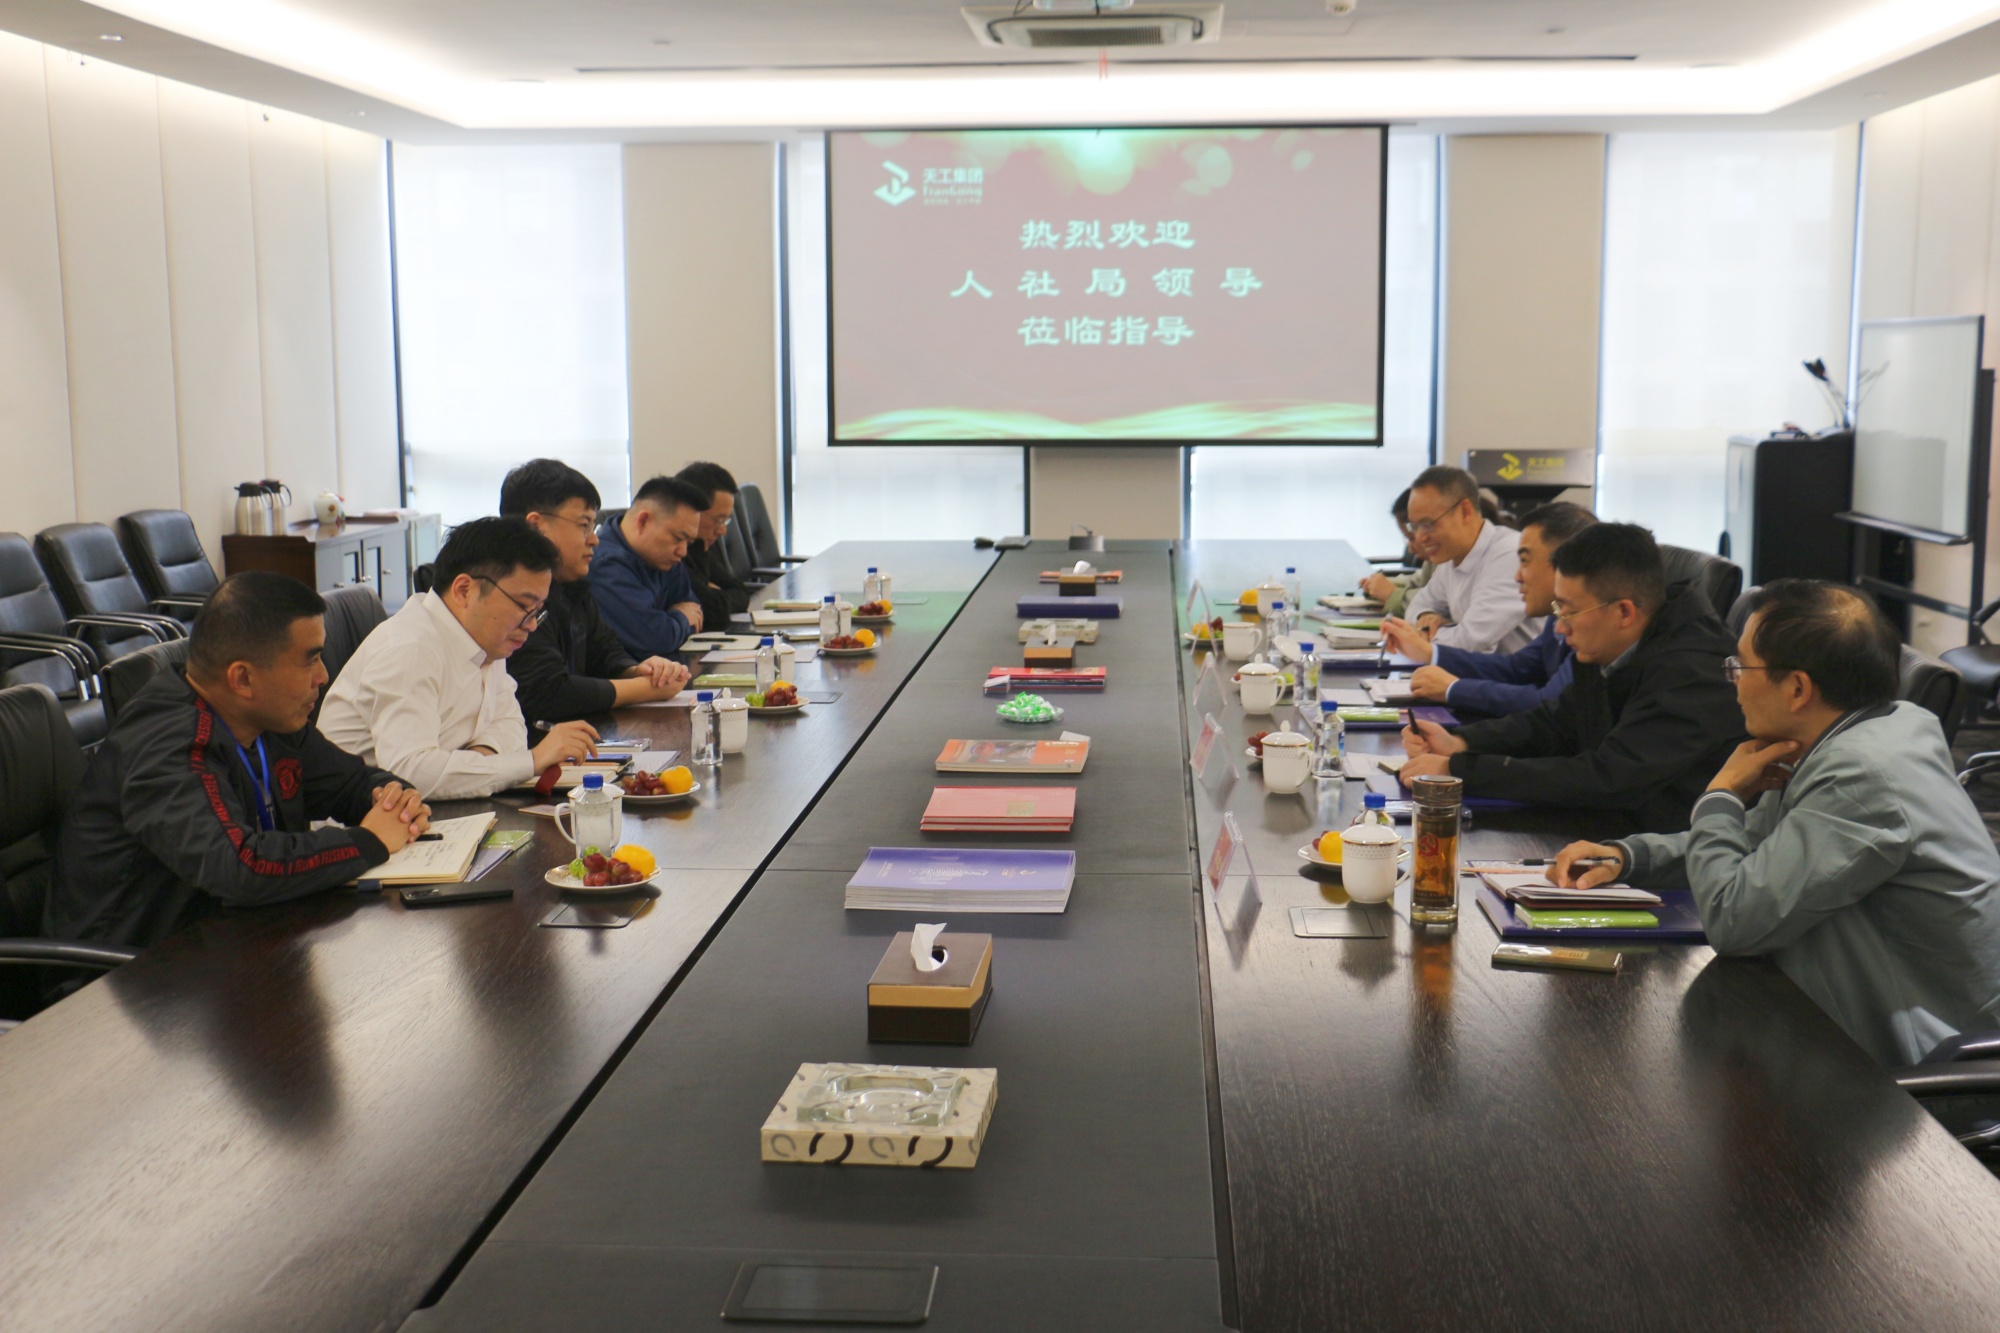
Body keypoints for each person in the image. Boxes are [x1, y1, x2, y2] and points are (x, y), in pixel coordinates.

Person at [1554, 581, 2000, 1067]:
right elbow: (1757, 844)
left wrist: (1721, 795)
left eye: (1741, 666)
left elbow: (1733, 920)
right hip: (1853, 1018)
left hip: (1937, 1063)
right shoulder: (1857, 735)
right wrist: (1631, 857)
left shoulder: (1862, 776)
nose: (1733, 680)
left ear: (1797, 689)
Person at [46, 573, 432, 949]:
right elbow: (240, 867)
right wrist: (369, 840)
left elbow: (349, 784)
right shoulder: (167, 743)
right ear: (243, 679)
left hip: (234, 937)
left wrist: (394, 800)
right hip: (131, 971)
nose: (323, 675)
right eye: (310, 660)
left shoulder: (270, 719)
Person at [1399, 522, 1745, 833]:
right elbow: (1556, 721)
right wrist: (1462, 742)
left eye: (1569, 611)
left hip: (1663, 846)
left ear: (1624, 612)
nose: (1560, 628)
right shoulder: (1612, 641)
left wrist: (1460, 770)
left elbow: (1608, 778)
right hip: (1613, 824)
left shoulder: (1692, 671)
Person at [320, 517, 600, 799]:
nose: (531, 625)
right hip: (362, 818)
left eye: (538, 610)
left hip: (436, 808)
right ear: (464, 590)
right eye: (524, 606)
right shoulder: (409, 649)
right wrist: (531, 761)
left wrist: (480, 760)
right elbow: (409, 773)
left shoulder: (487, 638)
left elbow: (511, 723)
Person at [498, 459, 690, 726]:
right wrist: (646, 689)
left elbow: (605, 653)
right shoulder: (511, 594)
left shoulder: (571, 584)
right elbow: (547, 691)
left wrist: (641, 671)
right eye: (583, 525)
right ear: (536, 526)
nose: (594, 539)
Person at [1383, 502, 1595, 716]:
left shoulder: (1591, 627)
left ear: (1564, 564)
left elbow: (1548, 702)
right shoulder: (1557, 617)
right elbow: (1515, 668)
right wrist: (1428, 652)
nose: (1517, 576)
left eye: (1524, 562)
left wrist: (1453, 689)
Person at [1388, 465, 1538, 654]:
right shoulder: (1452, 555)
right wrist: (1426, 618)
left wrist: (1419, 637)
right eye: (1415, 526)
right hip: (1479, 669)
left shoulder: (1507, 555)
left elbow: (1471, 641)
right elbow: (1417, 605)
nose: (1419, 537)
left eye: (1428, 524)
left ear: (1464, 511)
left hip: (1517, 673)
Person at [587, 474, 709, 660]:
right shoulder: (604, 565)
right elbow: (655, 639)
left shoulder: (663, 557)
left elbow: (694, 609)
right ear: (643, 521)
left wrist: (673, 621)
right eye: (678, 538)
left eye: (689, 542)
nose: (683, 551)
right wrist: (681, 618)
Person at [677, 461, 755, 632]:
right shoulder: (674, 552)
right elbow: (713, 609)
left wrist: (713, 593)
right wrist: (712, 592)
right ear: (693, 510)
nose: (722, 531)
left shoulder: (699, 544)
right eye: (718, 520)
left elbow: (740, 592)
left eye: (726, 521)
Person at [1360, 488, 1435, 618]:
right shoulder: (1434, 562)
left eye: (1411, 538)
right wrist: (1381, 585)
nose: (1410, 548)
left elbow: (1437, 603)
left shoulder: (1448, 560)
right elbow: (1419, 581)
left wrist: (1391, 594)